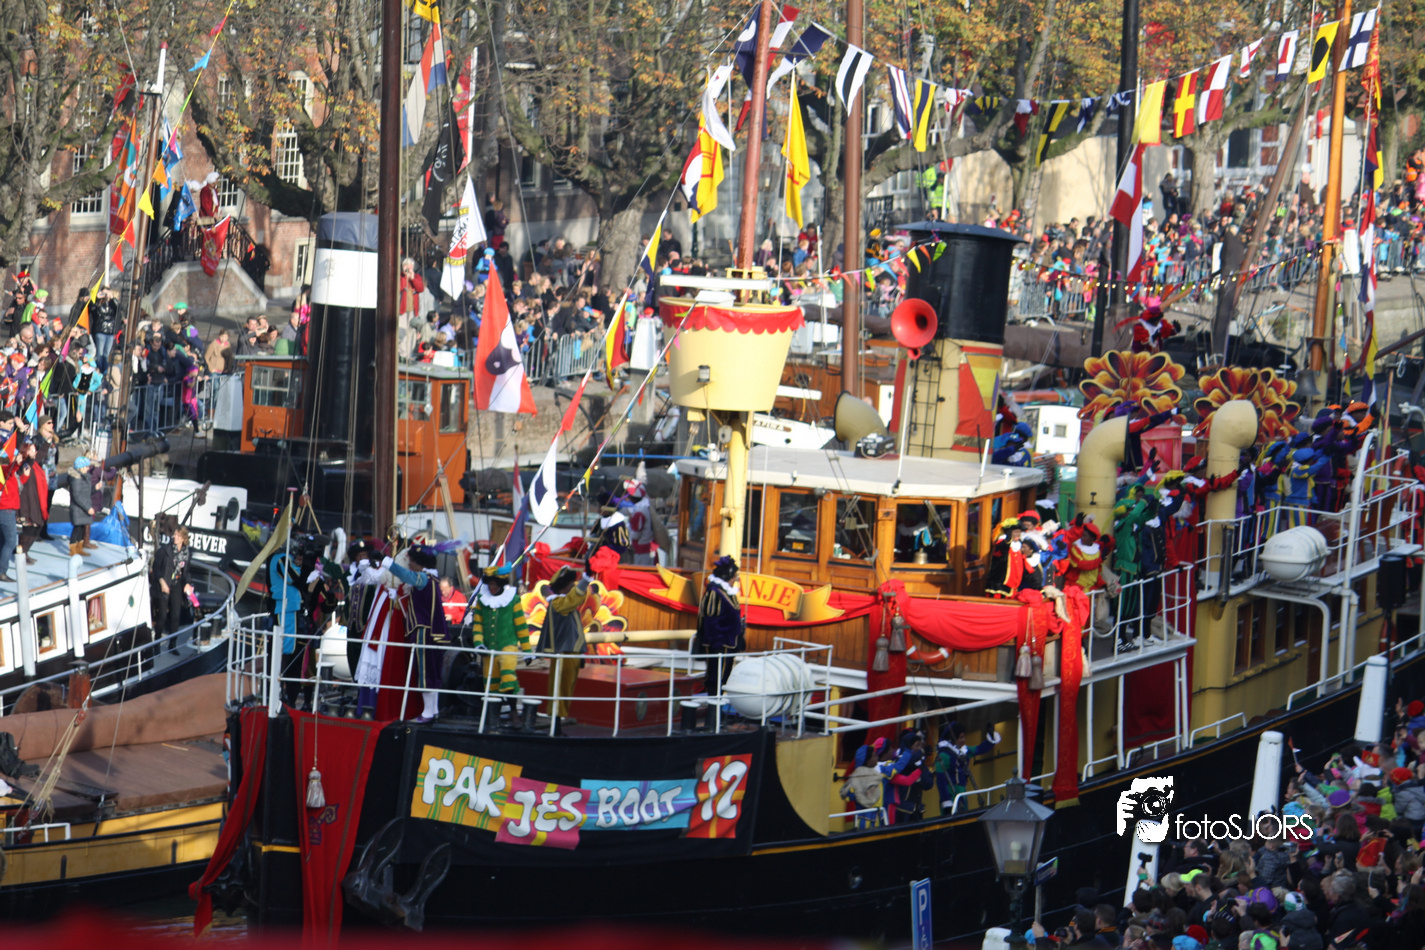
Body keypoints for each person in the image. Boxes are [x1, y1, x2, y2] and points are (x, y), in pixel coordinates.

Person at [384, 544, 452, 721]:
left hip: (424, 632)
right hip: (434, 632)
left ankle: (427, 712)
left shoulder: (423, 578)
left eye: (412, 561)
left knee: (424, 671)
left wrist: (386, 562)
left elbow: (405, 575)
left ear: (420, 564)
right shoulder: (433, 579)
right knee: (433, 670)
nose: (410, 564)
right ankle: (433, 710)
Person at [469, 564, 532, 701]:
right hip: (488, 650)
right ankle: (493, 712)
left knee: (508, 677)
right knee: (491, 684)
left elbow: (521, 626)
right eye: (490, 584)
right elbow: (478, 625)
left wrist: (527, 651)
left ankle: (513, 709)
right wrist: (479, 644)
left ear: (501, 584)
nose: (492, 587)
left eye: (495, 584)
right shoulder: (482, 601)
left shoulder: (513, 600)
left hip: (507, 646)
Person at [541, 565, 590, 731]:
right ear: (564, 586)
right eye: (571, 584)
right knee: (560, 688)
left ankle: (558, 724)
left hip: (571, 653)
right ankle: (555, 726)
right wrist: (586, 579)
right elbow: (576, 596)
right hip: (564, 653)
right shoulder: (560, 603)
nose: (573, 586)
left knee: (566, 688)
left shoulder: (561, 602)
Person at [696, 555, 745, 696]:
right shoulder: (714, 592)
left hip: (729, 642)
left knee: (725, 674)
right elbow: (709, 618)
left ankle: (719, 696)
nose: (735, 579)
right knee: (716, 675)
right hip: (719, 643)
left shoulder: (727, 592)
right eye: (734, 576)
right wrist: (716, 642)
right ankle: (714, 700)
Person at [150, 526, 192, 642]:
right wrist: (162, 582)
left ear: (183, 538)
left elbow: (186, 572)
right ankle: (156, 643)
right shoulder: (165, 550)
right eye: (174, 534)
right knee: (162, 616)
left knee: (175, 616)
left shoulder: (186, 553)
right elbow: (156, 568)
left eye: (178, 535)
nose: (175, 537)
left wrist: (187, 583)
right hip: (165, 583)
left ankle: (173, 644)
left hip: (177, 584)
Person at [54, 456, 101, 556]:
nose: (88, 468)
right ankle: (73, 550)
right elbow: (77, 496)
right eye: (86, 466)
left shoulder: (84, 477)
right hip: (78, 509)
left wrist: (95, 488)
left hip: (83, 508)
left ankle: (79, 549)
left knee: (82, 528)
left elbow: (86, 492)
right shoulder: (76, 479)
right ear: (81, 467)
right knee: (77, 529)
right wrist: (88, 508)